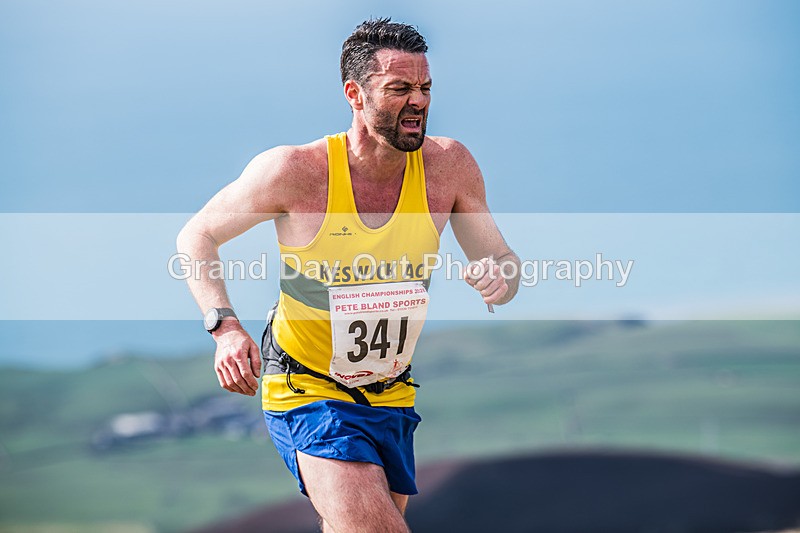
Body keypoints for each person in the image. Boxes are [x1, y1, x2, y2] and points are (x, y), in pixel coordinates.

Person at [177, 18, 520, 533]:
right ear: (355, 94)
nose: (419, 101)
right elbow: (196, 235)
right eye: (400, 88)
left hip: (392, 394)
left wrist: (499, 277)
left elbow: (503, 263)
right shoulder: (296, 172)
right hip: (308, 392)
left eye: (425, 88)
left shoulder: (449, 166)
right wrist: (224, 327)